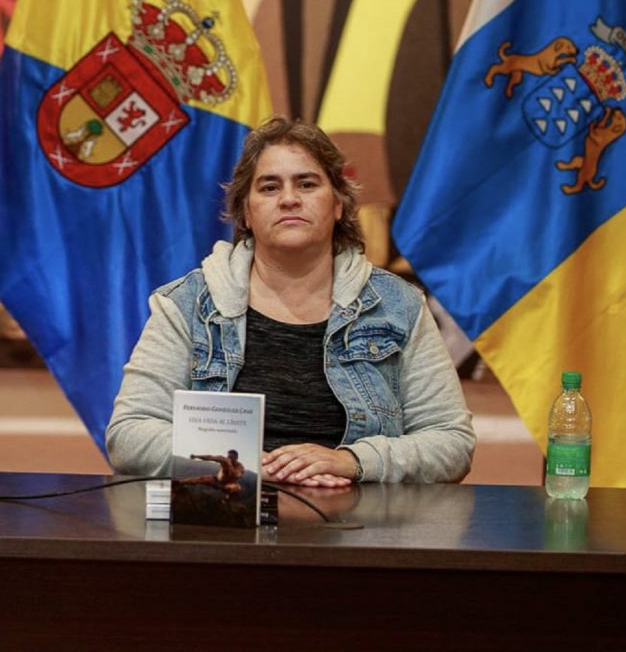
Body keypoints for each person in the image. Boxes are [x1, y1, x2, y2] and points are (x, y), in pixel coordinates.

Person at [106, 116, 476, 487]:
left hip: (361, 517)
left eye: (307, 184)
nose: (289, 199)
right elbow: (130, 435)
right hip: (228, 516)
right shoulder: (185, 305)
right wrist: (247, 465)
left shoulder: (399, 306)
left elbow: (450, 442)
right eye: (269, 187)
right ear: (246, 212)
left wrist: (353, 460)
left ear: (338, 204)